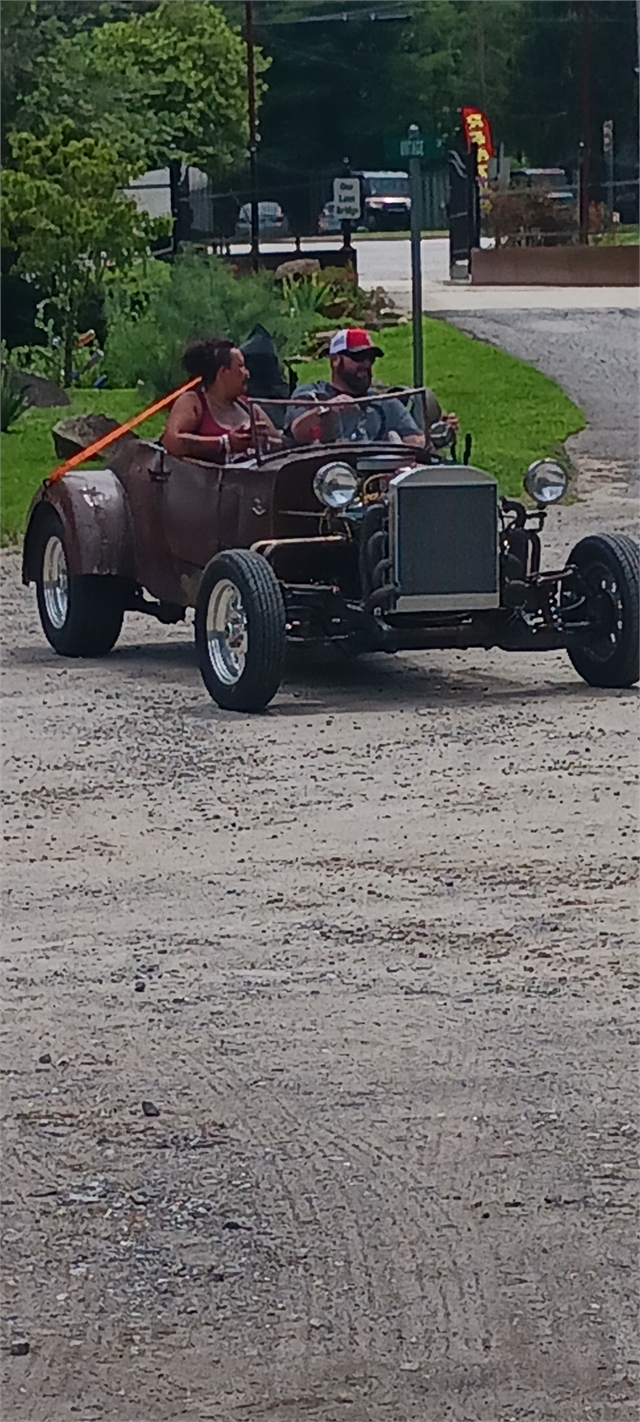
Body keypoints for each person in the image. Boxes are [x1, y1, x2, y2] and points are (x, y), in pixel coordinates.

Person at [286, 328, 457, 448]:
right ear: (335, 360)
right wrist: (327, 409)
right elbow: (298, 433)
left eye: (370, 358)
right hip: (331, 483)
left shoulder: (385, 402)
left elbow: (414, 441)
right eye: (359, 357)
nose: (366, 364)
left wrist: (438, 434)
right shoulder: (312, 394)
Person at [162, 337, 281, 462]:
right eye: (241, 366)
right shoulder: (194, 402)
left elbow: (280, 444)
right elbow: (171, 441)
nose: (247, 373)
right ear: (223, 371)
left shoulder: (250, 407)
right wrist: (224, 443)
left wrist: (264, 441)